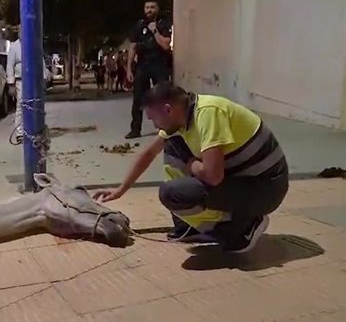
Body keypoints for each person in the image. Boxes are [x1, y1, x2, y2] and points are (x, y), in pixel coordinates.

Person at [93, 82, 289, 253]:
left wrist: (190, 162)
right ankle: (189, 226)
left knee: (172, 192)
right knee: (173, 146)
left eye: (153, 118)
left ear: (168, 109)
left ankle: (243, 227)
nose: (154, 125)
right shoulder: (182, 118)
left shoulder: (208, 114)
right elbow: (149, 153)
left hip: (265, 188)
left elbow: (213, 177)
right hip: (242, 177)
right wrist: (121, 189)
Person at [125, 0, 173, 139]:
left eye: (152, 7)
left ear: (157, 9)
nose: (149, 10)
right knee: (138, 99)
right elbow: (133, 47)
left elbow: (165, 45)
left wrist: (155, 32)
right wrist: (129, 68)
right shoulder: (139, 25)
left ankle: (166, 127)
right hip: (143, 66)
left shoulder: (163, 24)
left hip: (160, 65)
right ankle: (135, 129)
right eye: (147, 8)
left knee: (163, 97)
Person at [7, 26, 23, 142]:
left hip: (32, 81)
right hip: (20, 81)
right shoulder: (14, 47)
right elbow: (9, 66)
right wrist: (11, 84)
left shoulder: (33, 43)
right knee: (21, 106)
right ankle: (20, 133)